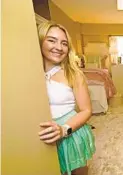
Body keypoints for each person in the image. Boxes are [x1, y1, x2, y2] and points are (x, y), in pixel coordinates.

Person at [37, 21, 95, 175]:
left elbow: (87, 110)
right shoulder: (29, 73)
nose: (59, 47)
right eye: (51, 40)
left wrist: (64, 129)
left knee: (77, 170)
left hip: (70, 130)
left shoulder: (73, 74)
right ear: (40, 40)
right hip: (43, 133)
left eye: (64, 43)